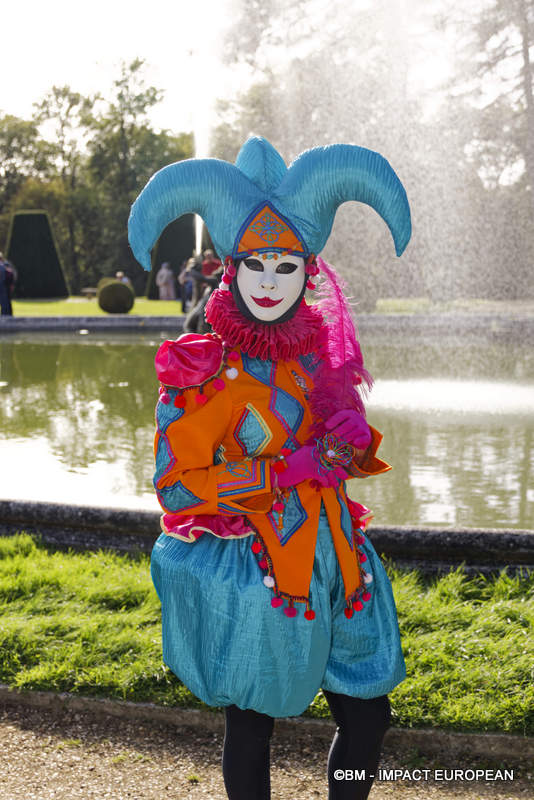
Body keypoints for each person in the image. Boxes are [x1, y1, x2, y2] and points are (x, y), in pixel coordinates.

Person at [129, 136, 411, 800]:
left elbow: (341, 461)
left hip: (340, 563)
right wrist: (283, 473)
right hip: (257, 575)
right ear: (230, 268)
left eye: (285, 266)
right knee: (252, 724)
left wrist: (349, 441)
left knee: (369, 713)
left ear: (307, 271)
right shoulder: (203, 370)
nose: (267, 281)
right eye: (254, 264)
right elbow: (175, 483)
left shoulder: (321, 358)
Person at [0, 252, 14, 316]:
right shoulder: (5, 266)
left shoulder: (4, 266)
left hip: (3, 287)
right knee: (5, 304)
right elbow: (11, 274)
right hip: (4, 287)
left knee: (5, 304)